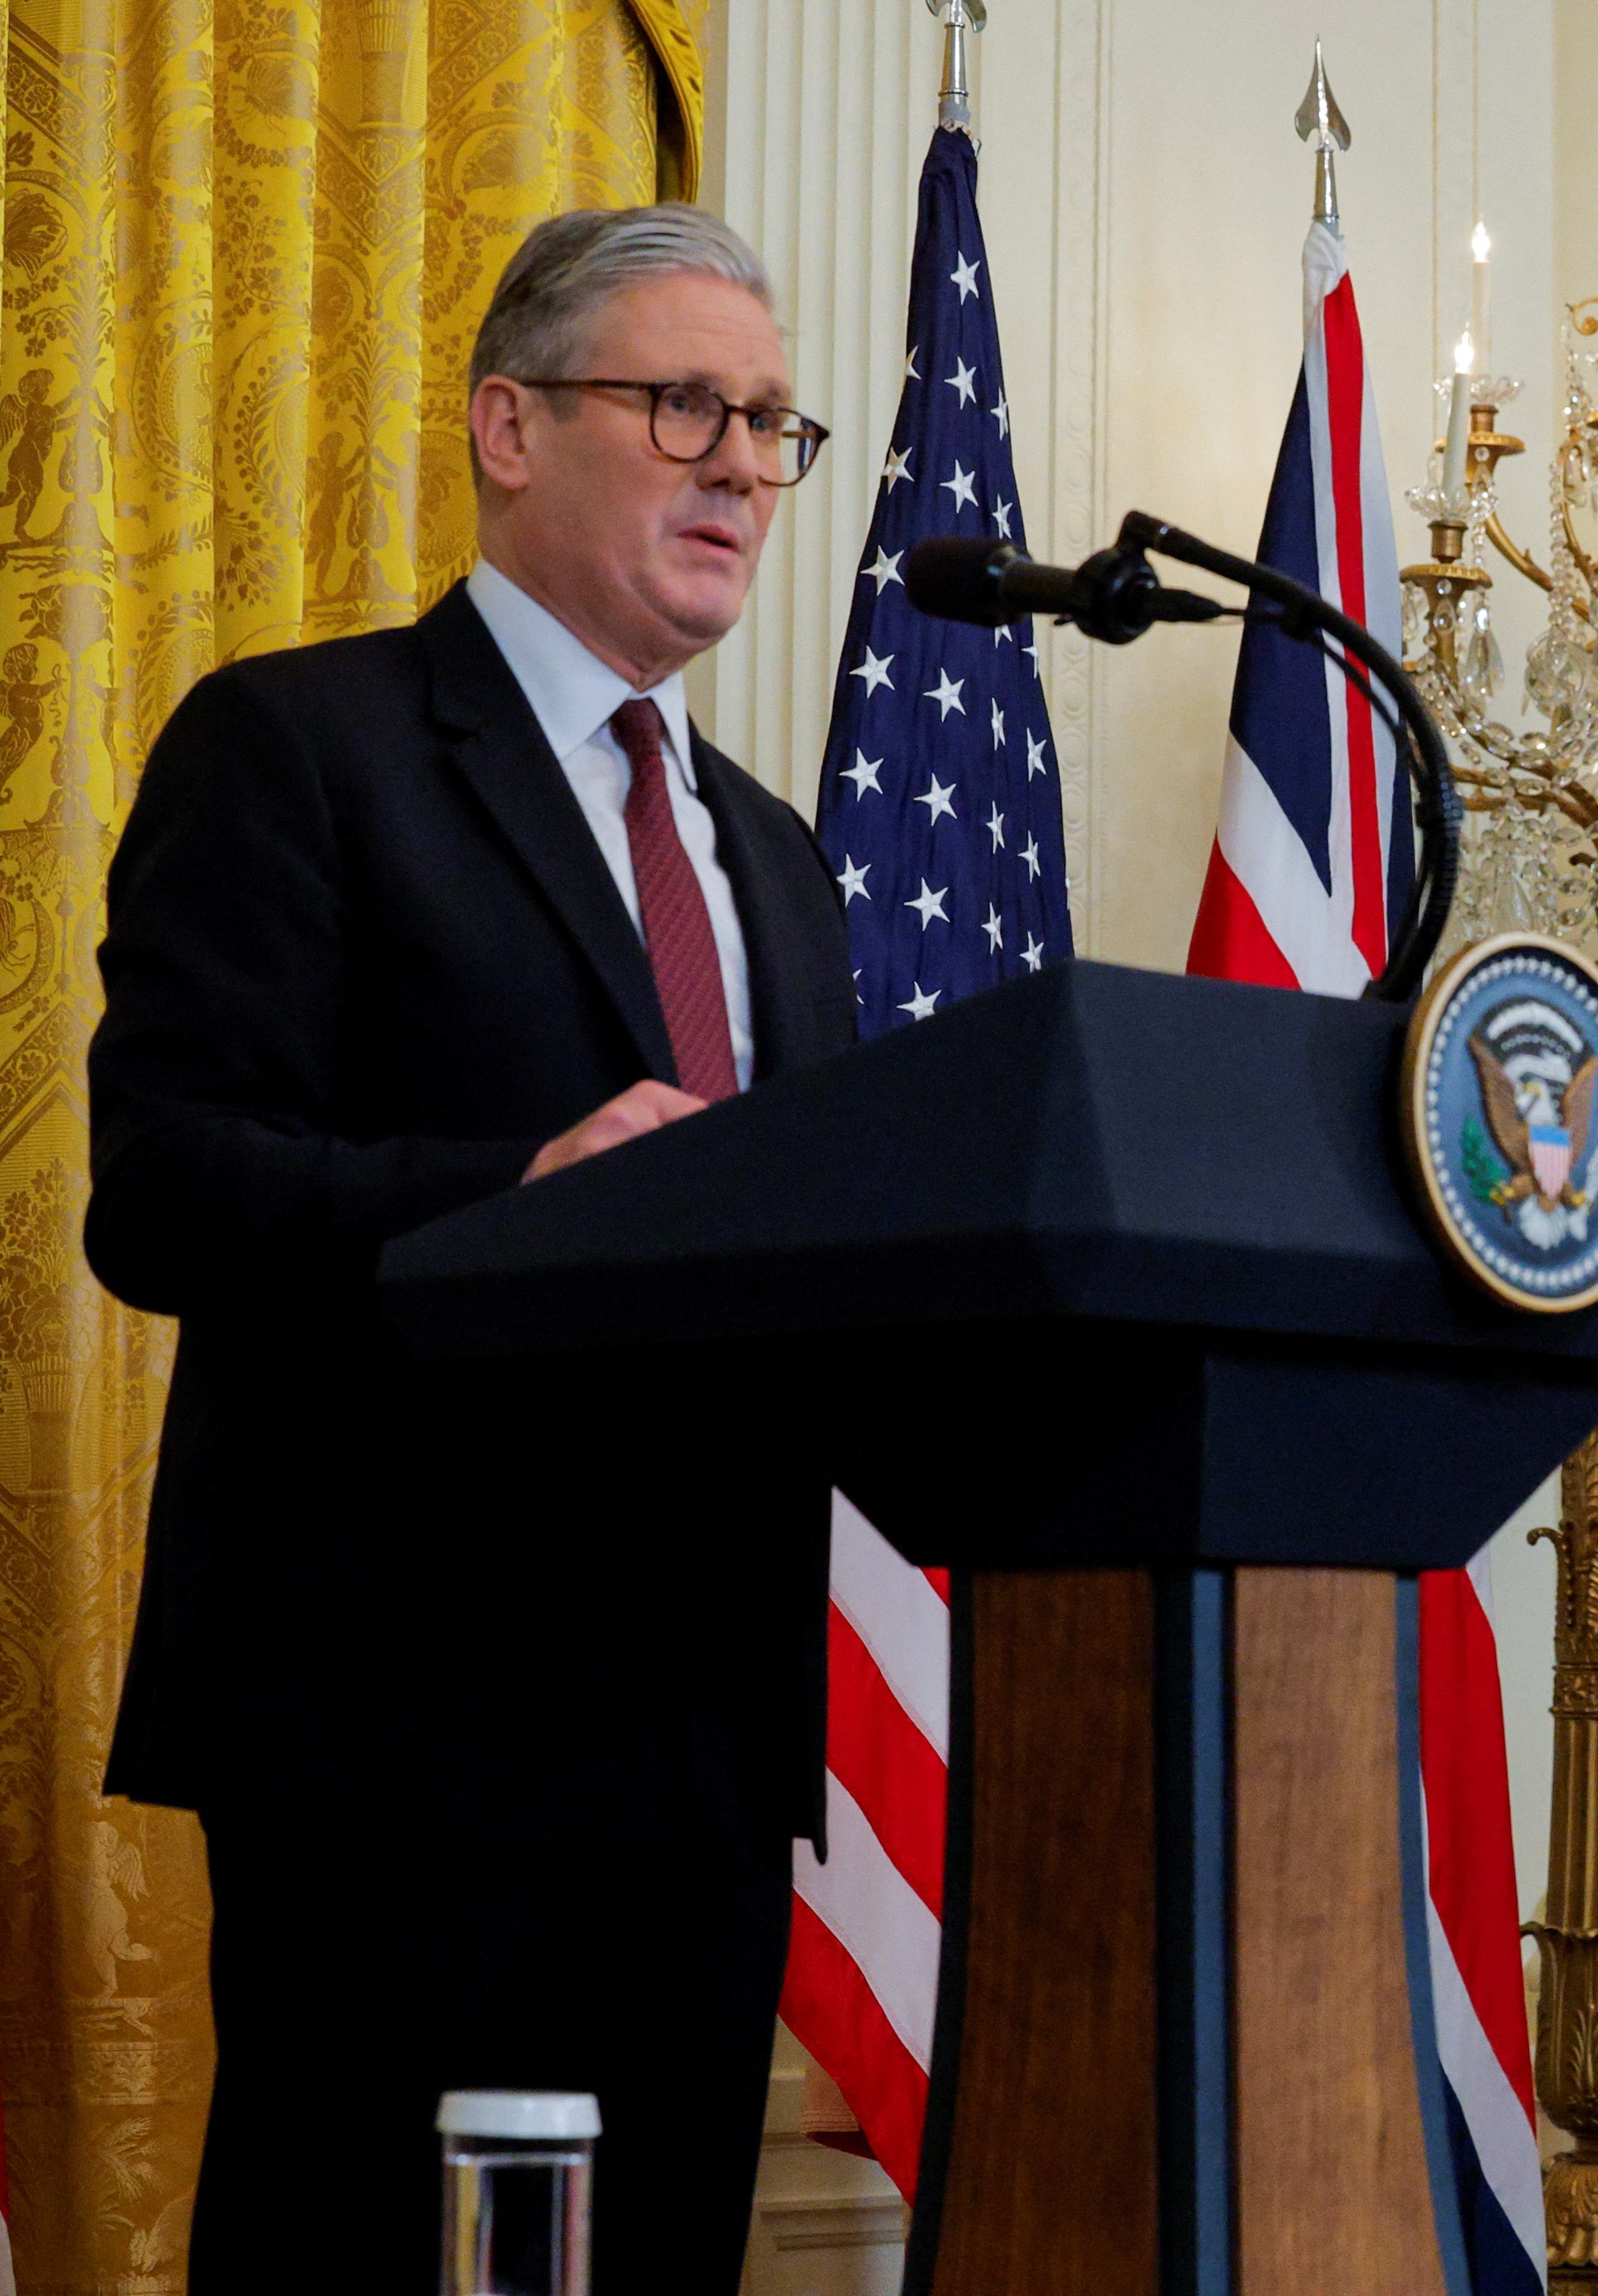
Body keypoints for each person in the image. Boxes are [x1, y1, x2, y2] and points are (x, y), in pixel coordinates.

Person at [85, 206, 850, 2288]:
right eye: (681, 400)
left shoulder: (773, 859)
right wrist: (514, 1190)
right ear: (508, 426)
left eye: (772, 423)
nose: (735, 463)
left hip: (700, 1743)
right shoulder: (303, 748)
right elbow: (161, 1189)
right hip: (402, 1741)